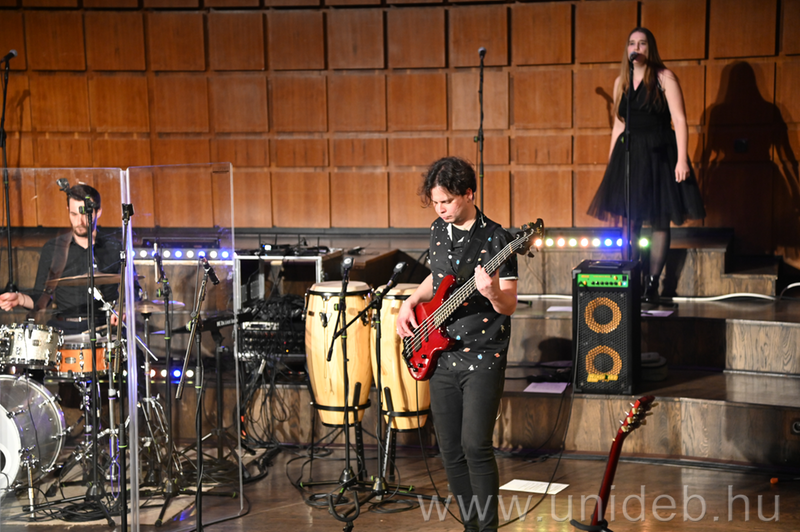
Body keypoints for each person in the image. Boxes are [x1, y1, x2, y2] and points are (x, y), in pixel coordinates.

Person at [396, 157, 518, 532]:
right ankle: (470, 526)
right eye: (435, 202)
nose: (440, 209)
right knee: (449, 450)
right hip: (442, 353)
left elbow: (509, 304)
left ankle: (488, 528)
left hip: (484, 352)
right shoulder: (438, 230)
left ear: (469, 193)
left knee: (475, 446)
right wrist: (411, 301)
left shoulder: (499, 240)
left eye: (446, 201)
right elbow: (438, 277)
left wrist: (491, 292)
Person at [588, 27, 705, 303]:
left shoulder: (665, 78)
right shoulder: (621, 82)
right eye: (632, 43)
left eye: (642, 43)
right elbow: (619, 124)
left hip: (658, 153)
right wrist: (611, 164)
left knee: (659, 219)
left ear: (649, 48)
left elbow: (680, 120)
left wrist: (682, 159)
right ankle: (634, 280)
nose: (636, 48)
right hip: (630, 155)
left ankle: (653, 284)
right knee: (631, 221)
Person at [0, 184, 126, 334]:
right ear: (67, 210)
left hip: (105, 328)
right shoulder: (53, 248)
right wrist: (19, 299)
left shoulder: (115, 247)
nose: (79, 221)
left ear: (98, 212)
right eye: (73, 214)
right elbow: (41, 297)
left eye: (85, 214)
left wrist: (123, 309)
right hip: (65, 330)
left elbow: (134, 290)